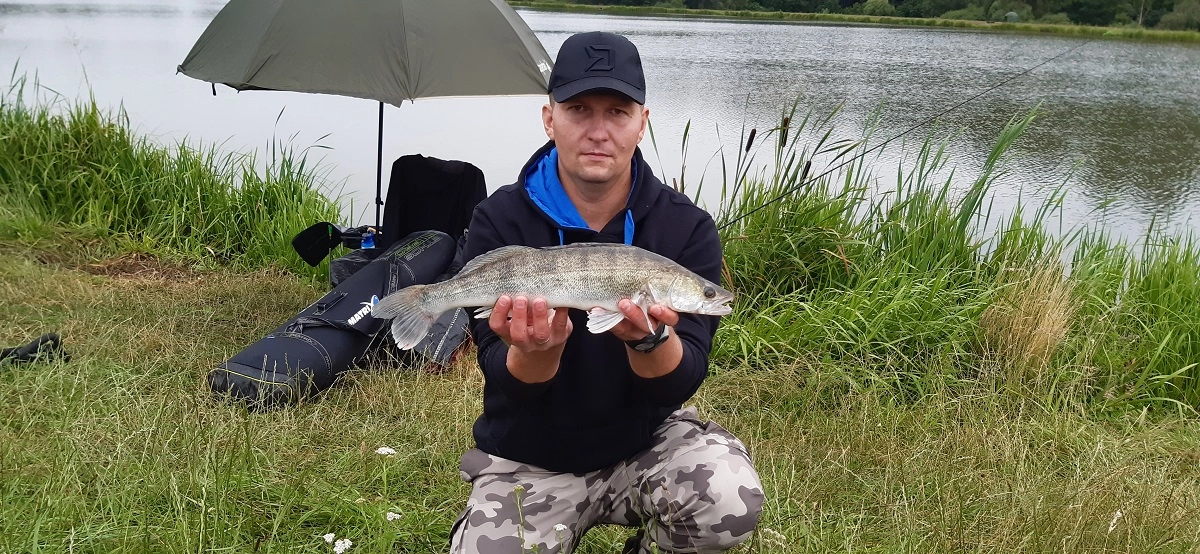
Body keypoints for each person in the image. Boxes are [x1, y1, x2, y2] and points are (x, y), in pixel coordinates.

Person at [451, 31, 763, 554]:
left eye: (618, 112)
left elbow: (681, 380)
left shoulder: (686, 227)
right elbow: (505, 378)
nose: (599, 132)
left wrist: (647, 340)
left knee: (728, 499)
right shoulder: (499, 218)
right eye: (578, 110)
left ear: (643, 122)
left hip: (644, 441)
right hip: (531, 452)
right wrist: (538, 349)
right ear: (549, 118)